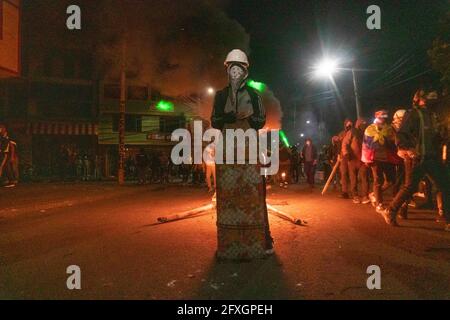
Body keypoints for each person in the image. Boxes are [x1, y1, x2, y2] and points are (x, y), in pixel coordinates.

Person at [211, 49, 273, 260]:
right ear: (228, 71)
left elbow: (261, 121)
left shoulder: (254, 96)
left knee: (255, 196)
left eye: (239, 69)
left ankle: (263, 241)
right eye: (231, 69)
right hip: (228, 153)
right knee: (228, 198)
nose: (235, 72)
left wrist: (249, 118)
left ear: (245, 72)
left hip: (250, 152)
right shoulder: (220, 96)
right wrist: (229, 116)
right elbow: (215, 121)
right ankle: (229, 245)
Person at [378, 89, 450, 232]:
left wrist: (443, 137)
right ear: (419, 100)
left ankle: (448, 221)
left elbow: (435, 137)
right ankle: (391, 210)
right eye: (429, 98)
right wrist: (407, 149)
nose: (432, 100)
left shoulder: (433, 115)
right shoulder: (413, 114)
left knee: (446, 186)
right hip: (416, 158)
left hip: (431, 158)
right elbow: (402, 134)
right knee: (409, 187)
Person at [362, 110, 401, 211]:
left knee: (391, 181)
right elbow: (365, 145)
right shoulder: (369, 129)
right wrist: (366, 159)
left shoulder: (389, 129)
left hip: (388, 158)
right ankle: (379, 203)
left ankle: (373, 194)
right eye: (381, 115)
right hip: (375, 159)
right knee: (378, 181)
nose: (383, 117)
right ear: (376, 116)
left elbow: (395, 143)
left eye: (385, 115)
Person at [341, 118, 370, 204]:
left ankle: (365, 196)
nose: (364, 126)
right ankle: (355, 195)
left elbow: (370, 145)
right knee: (353, 179)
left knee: (364, 178)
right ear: (358, 124)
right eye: (362, 124)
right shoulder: (352, 132)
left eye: (365, 124)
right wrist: (346, 154)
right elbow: (345, 143)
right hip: (353, 159)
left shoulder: (367, 133)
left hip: (363, 160)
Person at [338, 119, 353, 198]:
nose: (349, 125)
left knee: (352, 174)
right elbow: (339, 145)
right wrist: (338, 155)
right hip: (343, 156)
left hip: (353, 156)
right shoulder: (342, 134)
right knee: (343, 174)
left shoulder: (354, 132)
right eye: (347, 124)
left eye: (350, 124)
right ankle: (344, 192)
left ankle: (353, 192)